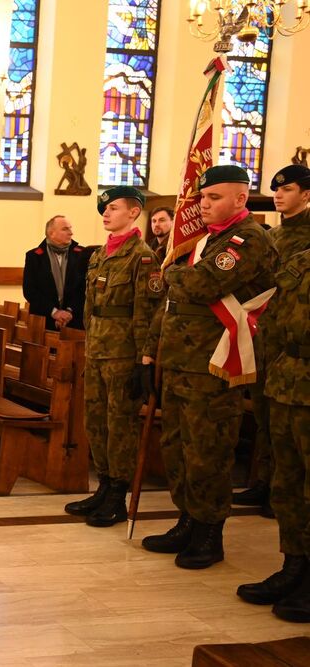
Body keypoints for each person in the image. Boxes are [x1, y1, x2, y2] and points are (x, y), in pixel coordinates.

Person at [142, 165, 278, 569]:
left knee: (208, 451)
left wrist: (170, 271)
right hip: (183, 361)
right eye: (202, 197)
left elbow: (202, 286)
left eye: (214, 197)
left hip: (215, 365)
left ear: (240, 198)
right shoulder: (205, 242)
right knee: (177, 447)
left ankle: (209, 534)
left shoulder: (248, 239)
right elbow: (176, 301)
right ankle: (187, 519)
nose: (203, 204)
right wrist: (152, 352)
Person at [63, 187, 163, 527]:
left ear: (134, 213)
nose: (106, 213)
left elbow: (144, 311)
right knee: (96, 421)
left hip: (123, 352)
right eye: (104, 208)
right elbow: (91, 306)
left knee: (120, 424)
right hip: (98, 348)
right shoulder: (100, 253)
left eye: (114, 208)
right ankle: (103, 486)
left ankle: (118, 493)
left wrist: (142, 358)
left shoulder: (142, 255)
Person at [236, 164, 310, 619]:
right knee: (289, 482)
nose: (279, 195)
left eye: (287, 189)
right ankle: (294, 565)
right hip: (285, 376)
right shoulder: (285, 243)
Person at [22, 214, 89, 330]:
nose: (71, 233)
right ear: (51, 233)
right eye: (65, 229)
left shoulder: (82, 254)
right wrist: (54, 312)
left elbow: (84, 288)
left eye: (70, 228)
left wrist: (69, 311)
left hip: (74, 320)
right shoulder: (34, 256)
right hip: (43, 321)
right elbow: (30, 290)